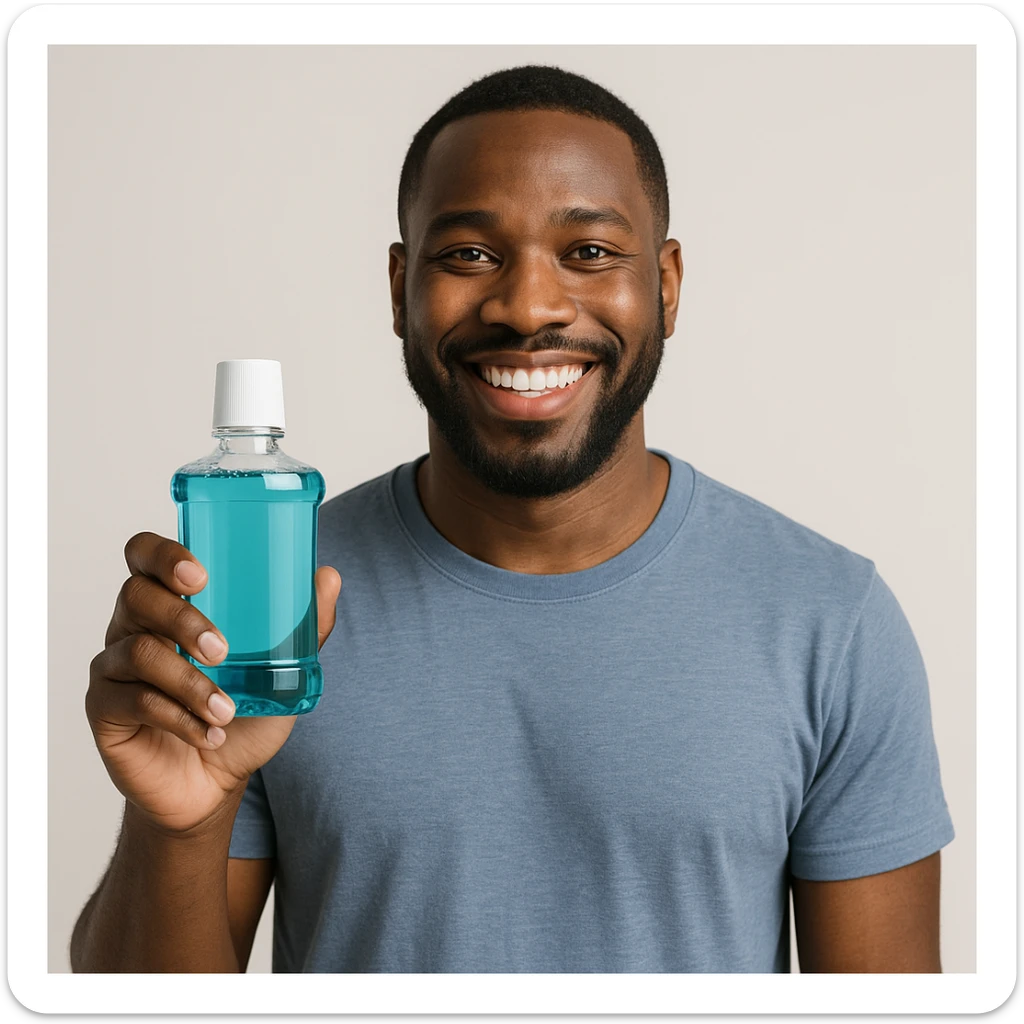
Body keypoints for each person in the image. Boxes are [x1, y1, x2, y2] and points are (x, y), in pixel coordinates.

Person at [71, 65, 954, 974]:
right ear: (399, 286)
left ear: (669, 285)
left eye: (591, 253)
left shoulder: (827, 618)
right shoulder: (272, 603)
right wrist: (176, 823)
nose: (529, 308)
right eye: (470, 255)